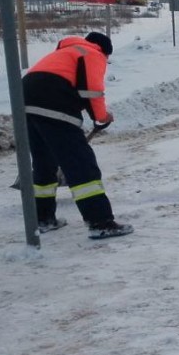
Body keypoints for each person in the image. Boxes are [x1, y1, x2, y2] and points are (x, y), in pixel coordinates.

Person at [22, 32, 133, 239]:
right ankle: (100, 222)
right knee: (81, 164)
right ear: (104, 50)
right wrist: (101, 116)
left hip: (25, 101)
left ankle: (43, 218)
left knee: (44, 164)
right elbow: (92, 90)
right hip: (54, 103)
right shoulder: (92, 54)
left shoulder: (65, 52)